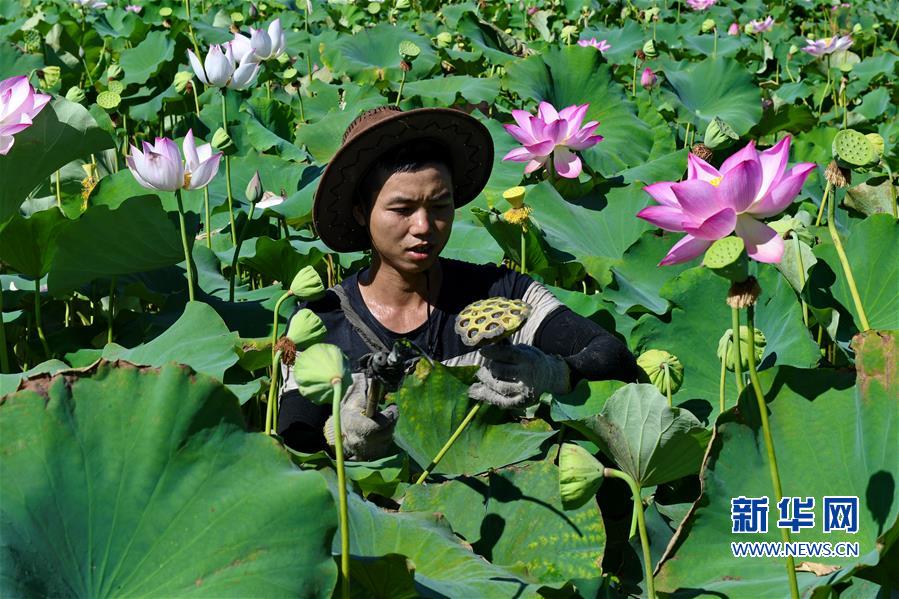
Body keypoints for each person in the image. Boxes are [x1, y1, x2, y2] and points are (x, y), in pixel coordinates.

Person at [278, 105, 640, 459]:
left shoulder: (502, 294)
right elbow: (294, 439)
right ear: (360, 211)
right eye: (402, 210)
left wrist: (553, 372)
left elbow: (614, 358)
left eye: (439, 206)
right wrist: (338, 432)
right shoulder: (319, 322)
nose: (423, 227)